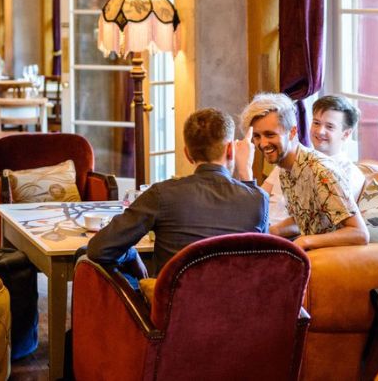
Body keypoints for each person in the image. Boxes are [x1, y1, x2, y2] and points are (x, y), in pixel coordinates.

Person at [87, 108, 269, 276]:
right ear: (230, 150)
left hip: (176, 308)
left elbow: (99, 249)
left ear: (187, 154)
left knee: (86, 256)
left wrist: (132, 255)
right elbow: (264, 261)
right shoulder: (258, 200)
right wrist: (246, 172)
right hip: (237, 308)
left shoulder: (161, 194)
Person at [240, 93, 369, 250]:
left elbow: (360, 233)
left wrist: (305, 241)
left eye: (270, 134)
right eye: (257, 136)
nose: (263, 143)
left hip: (330, 259)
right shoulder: (285, 167)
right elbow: (305, 218)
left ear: (293, 132)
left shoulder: (322, 171)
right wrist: (271, 232)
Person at [262, 95, 365, 224]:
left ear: (346, 134)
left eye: (329, 127)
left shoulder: (349, 174)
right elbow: (260, 198)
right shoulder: (292, 157)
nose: (320, 131)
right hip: (262, 229)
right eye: (316, 123)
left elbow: (324, 223)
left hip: (290, 238)